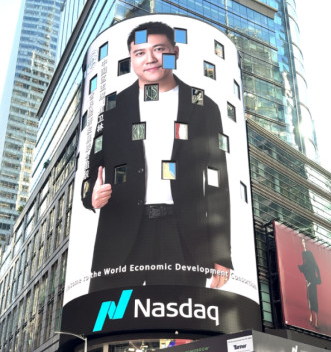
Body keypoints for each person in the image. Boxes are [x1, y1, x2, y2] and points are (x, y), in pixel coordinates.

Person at [82, 20, 232, 291]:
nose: (149, 59)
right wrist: (90, 196)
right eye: (140, 52)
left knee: (179, 329)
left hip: (183, 238)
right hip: (120, 233)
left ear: (175, 53)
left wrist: (221, 253)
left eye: (159, 49)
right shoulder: (113, 106)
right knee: (110, 325)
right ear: (131, 58)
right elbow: (94, 163)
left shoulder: (204, 106)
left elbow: (217, 181)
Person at [298, 238, 321, 328]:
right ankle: (312, 317)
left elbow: (315, 267)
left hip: (312, 282)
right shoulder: (304, 256)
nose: (304, 244)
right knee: (309, 300)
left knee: (313, 301)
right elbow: (304, 268)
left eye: (304, 242)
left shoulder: (309, 255)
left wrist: (318, 278)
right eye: (302, 242)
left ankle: (316, 321)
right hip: (309, 282)